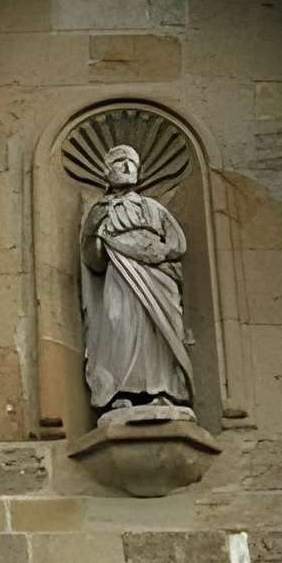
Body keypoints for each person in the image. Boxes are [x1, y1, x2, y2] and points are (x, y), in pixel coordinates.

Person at [79, 144, 192, 415]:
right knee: (118, 323)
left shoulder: (152, 208)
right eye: (120, 162)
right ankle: (122, 390)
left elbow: (177, 243)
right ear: (106, 171)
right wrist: (96, 232)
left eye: (133, 163)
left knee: (161, 330)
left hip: (158, 279)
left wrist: (158, 252)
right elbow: (92, 261)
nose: (128, 167)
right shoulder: (100, 212)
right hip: (120, 276)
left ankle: (164, 390)